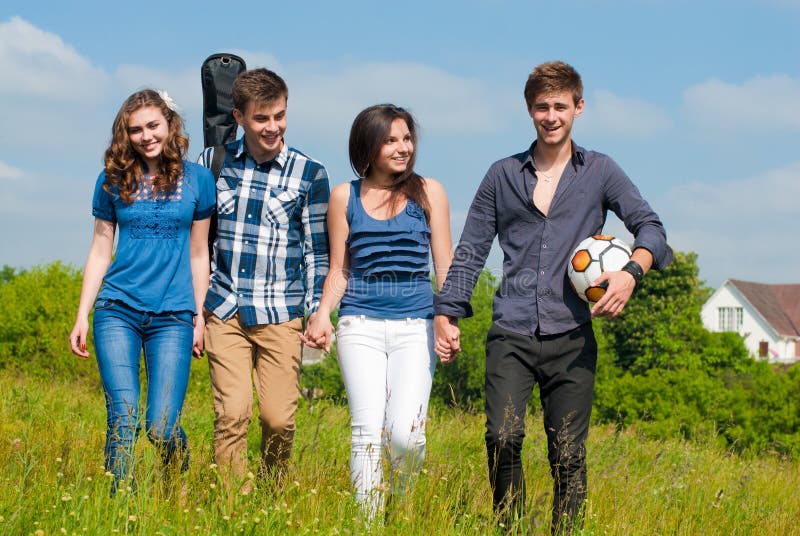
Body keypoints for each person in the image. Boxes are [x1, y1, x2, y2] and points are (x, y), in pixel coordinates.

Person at [433, 61, 673, 534]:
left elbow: (652, 228)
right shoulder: (501, 175)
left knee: (567, 454)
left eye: (560, 106)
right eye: (542, 106)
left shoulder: (601, 171)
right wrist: (447, 313)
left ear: (578, 108)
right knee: (502, 438)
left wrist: (629, 273)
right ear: (529, 110)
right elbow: (472, 249)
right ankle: (511, 528)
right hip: (512, 332)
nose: (551, 115)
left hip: (572, 336)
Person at [301, 104, 453, 519]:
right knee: (366, 432)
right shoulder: (343, 197)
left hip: (415, 327)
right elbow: (340, 269)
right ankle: (368, 524)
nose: (403, 148)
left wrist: (448, 318)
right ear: (368, 145)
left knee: (406, 434)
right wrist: (321, 315)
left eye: (407, 138)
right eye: (391, 140)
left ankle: (401, 512)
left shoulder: (429, 192)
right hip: (359, 325)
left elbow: (445, 266)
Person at [69, 89, 214, 495]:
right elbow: (100, 249)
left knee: (161, 425)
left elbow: (199, 252)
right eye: (136, 129)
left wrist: (199, 315)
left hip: (174, 315)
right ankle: (120, 508)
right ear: (125, 134)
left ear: (170, 124)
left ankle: (175, 481)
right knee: (123, 417)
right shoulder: (111, 179)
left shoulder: (199, 179)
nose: (146, 136)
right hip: (117, 310)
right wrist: (83, 313)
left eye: (153, 125)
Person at [197, 68, 330, 488]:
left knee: (277, 418)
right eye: (261, 118)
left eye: (280, 116)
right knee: (232, 414)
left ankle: (273, 499)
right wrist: (193, 311)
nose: (273, 127)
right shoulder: (211, 162)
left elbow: (317, 252)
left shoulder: (309, 173)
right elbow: (197, 242)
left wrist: (317, 312)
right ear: (238, 116)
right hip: (225, 308)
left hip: (281, 312)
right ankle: (231, 510)